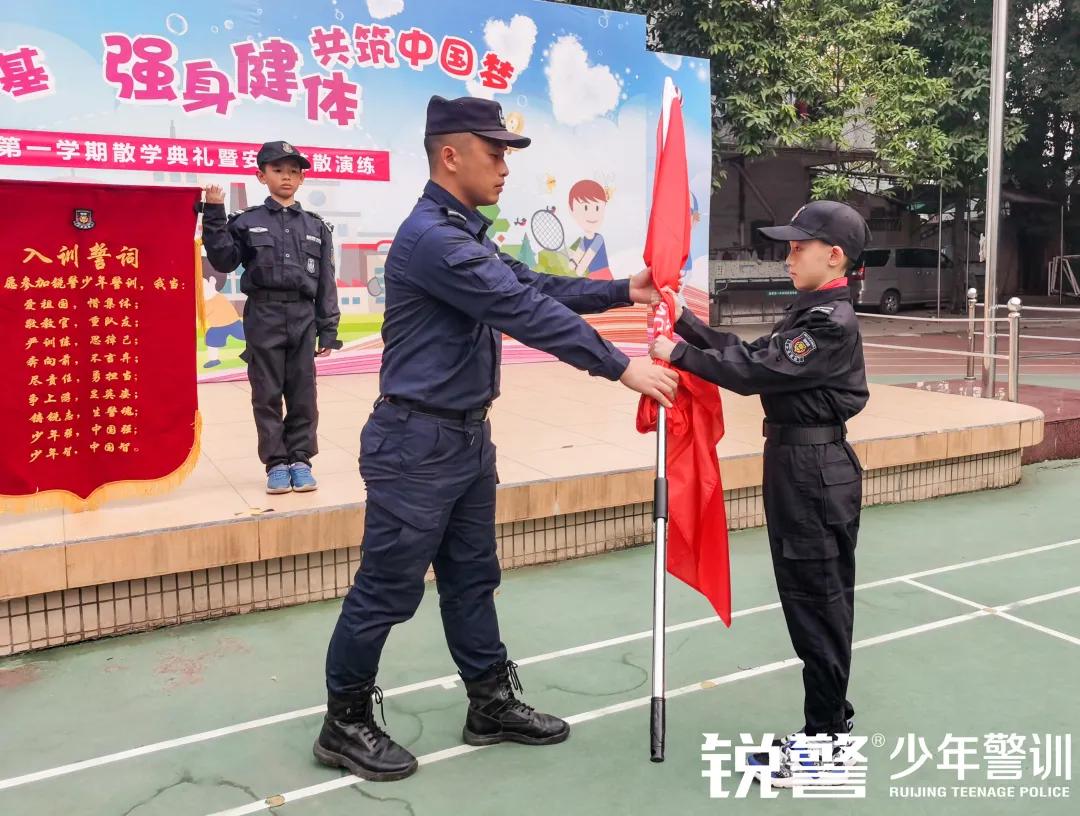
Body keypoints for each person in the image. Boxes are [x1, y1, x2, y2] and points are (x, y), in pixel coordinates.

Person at [315, 95, 679, 782]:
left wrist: (623, 290)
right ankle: (344, 723)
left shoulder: (465, 233)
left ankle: (488, 704)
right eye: (495, 151)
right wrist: (621, 366)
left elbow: (531, 283)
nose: (505, 165)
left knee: (472, 580)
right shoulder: (435, 241)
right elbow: (521, 310)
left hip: (462, 441)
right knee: (388, 591)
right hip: (414, 444)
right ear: (451, 156)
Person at [650, 201, 871, 788]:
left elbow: (754, 374)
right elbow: (751, 355)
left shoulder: (829, 322)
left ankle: (824, 741)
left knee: (815, 602)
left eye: (800, 245)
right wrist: (685, 324)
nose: (788, 254)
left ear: (835, 255)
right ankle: (830, 723)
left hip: (813, 471)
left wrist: (679, 354)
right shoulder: (813, 311)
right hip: (803, 466)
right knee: (815, 599)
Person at [201, 141, 342, 494]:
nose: (287, 178)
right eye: (278, 170)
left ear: (302, 178)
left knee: (303, 392)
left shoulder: (316, 226)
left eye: (294, 171)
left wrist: (328, 328)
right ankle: (276, 463)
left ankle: (300, 459)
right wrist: (215, 214)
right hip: (263, 313)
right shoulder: (247, 222)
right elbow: (223, 261)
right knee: (266, 392)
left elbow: (326, 281)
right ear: (261, 175)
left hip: (302, 314)